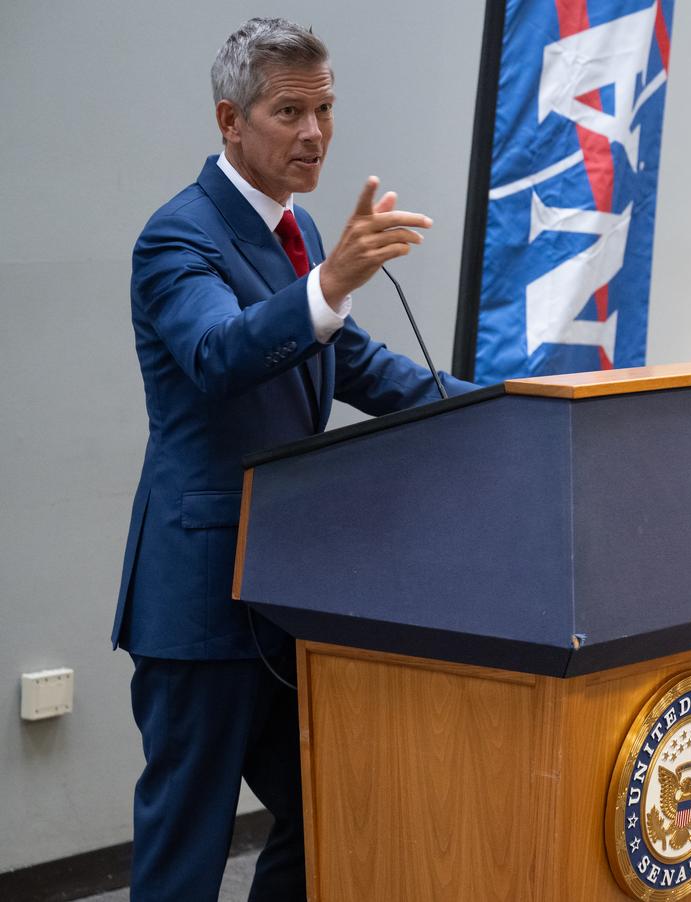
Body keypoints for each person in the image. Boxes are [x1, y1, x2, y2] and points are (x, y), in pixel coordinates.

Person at [112, 17, 475, 900]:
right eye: (289, 112)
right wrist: (330, 285)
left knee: (325, 810)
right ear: (231, 121)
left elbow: (355, 364)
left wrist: (505, 406)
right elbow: (219, 353)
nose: (314, 133)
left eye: (325, 109)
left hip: (283, 588)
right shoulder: (178, 239)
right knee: (185, 853)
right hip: (200, 600)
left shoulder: (301, 230)